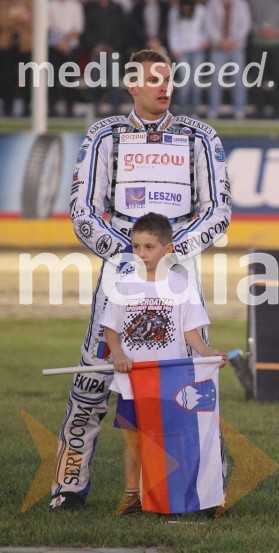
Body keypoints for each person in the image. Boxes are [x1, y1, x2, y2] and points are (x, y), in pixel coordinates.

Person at [51, 49, 231, 511]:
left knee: (193, 383)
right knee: (93, 382)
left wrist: (168, 256)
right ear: (131, 84)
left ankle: (207, 489)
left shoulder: (200, 137)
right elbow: (83, 208)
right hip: (120, 277)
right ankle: (69, 487)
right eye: (152, 78)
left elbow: (217, 210)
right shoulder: (104, 135)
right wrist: (132, 258)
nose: (162, 85)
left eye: (167, 77)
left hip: (179, 278)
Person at [101, 213, 226, 516]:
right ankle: (132, 496)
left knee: (169, 440)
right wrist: (117, 354)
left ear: (167, 249)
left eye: (149, 247)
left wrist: (207, 352)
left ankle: (172, 497)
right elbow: (111, 328)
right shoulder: (125, 284)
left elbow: (190, 332)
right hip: (133, 380)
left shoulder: (181, 285)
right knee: (134, 441)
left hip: (168, 381)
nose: (141, 254)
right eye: (136, 246)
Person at [204, 0, 251, 119]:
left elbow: (245, 24)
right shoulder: (212, 4)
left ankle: (239, 109)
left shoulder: (241, 4)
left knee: (238, 79)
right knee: (215, 79)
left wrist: (234, 41)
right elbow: (209, 24)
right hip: (218, 47)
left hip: (237, 47)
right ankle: (214, 109)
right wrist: (219, 41)